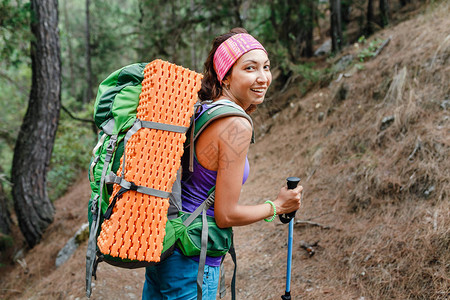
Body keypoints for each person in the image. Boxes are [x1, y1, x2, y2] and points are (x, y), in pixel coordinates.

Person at [142, 27, 303, 300]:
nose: (262, 77)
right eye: (250, 68)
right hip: (193, 260)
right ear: (226, 76)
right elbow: (225, 215)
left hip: (165, 248)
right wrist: (277, 206)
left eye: (266, 67)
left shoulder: (202, 111)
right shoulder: (236, 125)